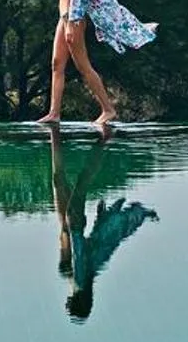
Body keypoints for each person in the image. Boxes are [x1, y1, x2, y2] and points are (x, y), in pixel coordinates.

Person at [39, 0, 156, 131]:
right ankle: (54, 112)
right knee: (57, 65)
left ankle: (108, 109)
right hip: (63, 19)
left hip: (72, 21)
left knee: (83, 66)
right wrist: (65, 21)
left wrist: (72, 23)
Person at [48, 124, 156, 321]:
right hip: (74, 226)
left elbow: (81, 249)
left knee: (61, 179)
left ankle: (57, 134)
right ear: (79, 302)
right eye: (71, 306)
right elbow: (87, 249)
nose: (67, 304)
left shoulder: (82, 280)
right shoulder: (82, 281)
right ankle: (103, 139)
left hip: (69, 227)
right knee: (79, 180)